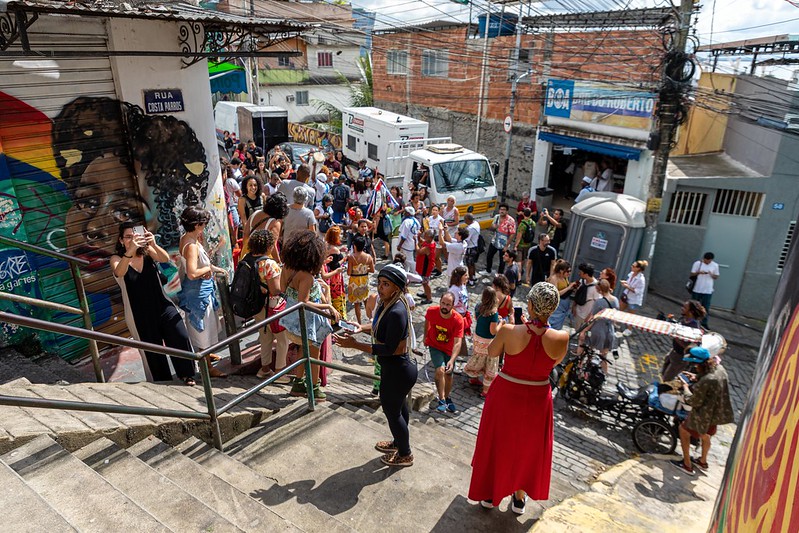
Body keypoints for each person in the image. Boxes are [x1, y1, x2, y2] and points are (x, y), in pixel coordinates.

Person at [469, 282, 569, 514]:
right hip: (537, 397)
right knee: (529, 447)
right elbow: (553, 363)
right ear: (553, 309)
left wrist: (510, 328)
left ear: (531, 305)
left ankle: (490, 492)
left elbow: (492, 352)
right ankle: (519, 497)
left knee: (498, 442)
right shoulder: (562, 337)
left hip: (506, 393)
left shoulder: (510, 331)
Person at [334, 264, 418, 467]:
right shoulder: (387, 302)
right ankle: (399, 442)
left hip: (399, 370)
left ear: (397, 288)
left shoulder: (397, 311)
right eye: (380, 283)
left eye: (386, 284)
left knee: (392, 412)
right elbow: (378, 328)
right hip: (393, 369)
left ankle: (405, 453)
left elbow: (390, 348)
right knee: (397, 408)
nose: (380, 288)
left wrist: (354, 345)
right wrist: (358, 327)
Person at [111, 222, 198, 385]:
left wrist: (153, 244)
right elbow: (119, 272)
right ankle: (161, 384)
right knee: (153, 352)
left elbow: (164, 258)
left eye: (135, 235)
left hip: (163, 305)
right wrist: (130, 251)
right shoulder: (117, 259)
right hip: (139, 314)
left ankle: (187, 374)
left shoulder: (147, 253)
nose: (132, 240)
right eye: (128, 237)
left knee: (180, 336)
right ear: (121, 240)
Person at [279, 231, 341, 401]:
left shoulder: (287, 268)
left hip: (292, 321)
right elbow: (304, 302)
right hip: (307, 322)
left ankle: (298, 384)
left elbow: (283, 290)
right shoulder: (306, 276)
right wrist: (328, 305)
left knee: (302, 350)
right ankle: (314, 387)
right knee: (314, 356)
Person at [177, 207, 227, 378]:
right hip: (198, 293)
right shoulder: (191, 245)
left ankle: (207, 355)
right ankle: (207, 368)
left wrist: (213, 268)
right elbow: (192, 272)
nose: (205, 226)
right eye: (204, 223)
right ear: (197, 224)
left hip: (200, 292)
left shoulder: (188, 238)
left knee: (205, 328)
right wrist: (207, 268)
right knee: (203, 329)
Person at [670, 346, 734, 475]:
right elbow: (709, 380)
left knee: (683, 430)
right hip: (715, 414)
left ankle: (687, 464)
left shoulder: (706, 381)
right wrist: (696, 377)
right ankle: (703, 461)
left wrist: (686, 386)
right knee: (706, 435)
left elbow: (693, 401)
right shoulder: (719, 369)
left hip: (703, 415)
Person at [247, 229, 291, 383]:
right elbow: (275, 290)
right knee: (282, 338)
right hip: (271, 306)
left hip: (256, 305)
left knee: (264, 336)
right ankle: (279, 372)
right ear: (269, 246)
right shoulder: (269, 264)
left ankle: (264, 369)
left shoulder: (247, 259)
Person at [424, 292, 464, 414]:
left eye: (448, 305)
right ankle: (441, 399)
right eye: (443, 303)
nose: (444, 307)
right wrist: (426, 337)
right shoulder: (432, 311)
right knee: (440, 370)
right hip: (435, 346)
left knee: (448, 374)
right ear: (440, 301)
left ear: (453, 306)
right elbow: (427, 322)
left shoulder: (458, 320)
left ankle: (447, 397)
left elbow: (458, 343)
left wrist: (452, 360)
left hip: (449, 349)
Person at [464, 286, 503, 398]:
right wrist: (501, 323)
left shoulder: (478, 307)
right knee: (490, 364)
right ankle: (486, 390)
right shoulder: (493, 313)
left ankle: (474, 378)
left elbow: (477, 318)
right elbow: (493, 331)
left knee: (478, 358)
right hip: (488, 342)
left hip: (477, 339)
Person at [661, 300, 707, 382]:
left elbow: (690, 347)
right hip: (674, 352)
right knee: (664, 372)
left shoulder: (694, 327)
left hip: (681, 358)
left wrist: (676, 337)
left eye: (685, 307)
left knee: (667, 379)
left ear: (691, 311)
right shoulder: (684, 319)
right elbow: (679, 327)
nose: (682, 308)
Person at [584, 279, 619, 373]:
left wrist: (584, 330)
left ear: (599, 291)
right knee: (604, 357)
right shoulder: (615, 300)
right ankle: (604, 375)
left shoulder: (599, 302)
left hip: (598, 330)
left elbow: (592, 318)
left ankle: (585, 373)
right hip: (610, 331)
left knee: (589, 353)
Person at [482, 204, 516, 276]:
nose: (502, 211)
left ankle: (500, 274)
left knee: (502, 259)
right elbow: (491, 227)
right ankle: (488, 270)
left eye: (504, 210)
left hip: (504, 243)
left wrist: (507, 245)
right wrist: (493, 226)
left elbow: (512, 234)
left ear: (507, 211)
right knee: (489, 255)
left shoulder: (511, 220)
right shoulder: (496, 217)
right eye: (501, 209)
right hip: (494, 240)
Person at [347, 235, 375, 324]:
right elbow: (372, 270)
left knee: (357, 303)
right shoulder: (368, 257)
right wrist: (364, 269)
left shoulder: (352, 257)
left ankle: (359, 322)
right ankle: (370, 318)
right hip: (364, 280)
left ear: (354, 246)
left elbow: (348, 272)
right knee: (365, 299)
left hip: (354, 281)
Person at [619, 259, 648, 335]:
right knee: (619, 309)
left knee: (631, 315)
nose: (631, 266)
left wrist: (627, 286)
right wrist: (625, 282)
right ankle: (616, 323)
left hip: (634, 299)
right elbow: (629, 283)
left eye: (633, 266)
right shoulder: (631, 274)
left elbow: (637, 291)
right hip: (626, 295)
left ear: (638, 268)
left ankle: (629, 329)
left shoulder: (641, 279)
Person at [691, 252, 719, 329]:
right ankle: (691, 320)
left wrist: (711, 274)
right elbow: (692, 274)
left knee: (706, 307)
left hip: (708, 290)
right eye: (706, 260)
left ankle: (704, 323)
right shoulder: (697, 263)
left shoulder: (715, 265)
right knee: (693, 306)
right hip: (697, 288)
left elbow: (716, 276)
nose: (707, 262)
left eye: (709, 261)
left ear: (711, 260)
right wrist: (699, 272)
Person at [448, 266, 471, 358]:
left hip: (463, 315)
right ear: (460, 276)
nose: (468, 276)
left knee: (461, 337)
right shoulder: (454, 290)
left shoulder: (463, 285)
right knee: (457, 337)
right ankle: (455, 355)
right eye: (466, 275)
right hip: (457, 317)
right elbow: (452, 306)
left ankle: (460, 354)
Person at [548, 260, 578, 330]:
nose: (569, 273)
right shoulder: (554, 278)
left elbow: (565, 288)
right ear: (561, 271)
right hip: (557, 305)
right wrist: (569, 287)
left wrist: (572, 287)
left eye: (570, 271)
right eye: (568, 271)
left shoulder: (564, 277)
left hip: (564, 305)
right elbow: (555, 293)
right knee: (553, 323)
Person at [238, 175, 265, 240]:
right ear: (246, 187)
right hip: (250, 230)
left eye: (255, 185)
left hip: (263, 229)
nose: (253, 187)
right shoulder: (242, 200)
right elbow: (244, 219)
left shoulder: (262, 196)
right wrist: (248, 234)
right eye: (250, 185)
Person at [572, 263, 599, 330]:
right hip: (578, 312)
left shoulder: (596, 287)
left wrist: (590, 316)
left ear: (586, 274)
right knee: (576, 329)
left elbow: (597, 304)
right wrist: (574, 306)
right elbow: (577, 294)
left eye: (580, 272)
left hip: (586, 314)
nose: (579, 273)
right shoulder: (582, 281)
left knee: (583, 332)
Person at [513, 208, 535, 282]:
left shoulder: (522, 224)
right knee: (524, 259)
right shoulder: (533, 223)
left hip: (521, 245)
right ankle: (521, 272)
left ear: (523, 214)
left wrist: (516, 245)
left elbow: (519, 236)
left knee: (518, 261)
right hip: (528, 245)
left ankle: (518, 278)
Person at [416, 229, 437, 305]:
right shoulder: (429, 241)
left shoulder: (429, 246)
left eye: (426, 235)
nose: (424, 236)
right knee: (424, 281)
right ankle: (426, 293)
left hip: (426, 267)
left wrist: (415, 243)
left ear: (430, 237)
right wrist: (418, 237)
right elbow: (422, 241)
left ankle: (429, 298)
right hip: (425, 265)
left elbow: (419, 251)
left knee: (425, 283)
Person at [397, 206, 421, 273]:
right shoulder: (415, 220)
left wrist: (399, 245)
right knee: (406, 260)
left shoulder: (406, 222)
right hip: (412, 243)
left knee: (410, 260)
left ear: (408, 213)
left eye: (405, 212)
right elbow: (419, 230)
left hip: (406, 244)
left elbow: (404, 236)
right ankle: (406, 272)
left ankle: (415, 273)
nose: (404, 213)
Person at [463, 213, 481, 286]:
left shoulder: (470, 228)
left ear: (468, 220)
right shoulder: (476, 223)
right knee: (472, 264)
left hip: (471, 248)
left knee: (469, 265)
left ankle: (471, 281)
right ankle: (473, 276)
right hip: (475, 246)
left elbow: (466, 239)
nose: (464, 221)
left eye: (465, 220)